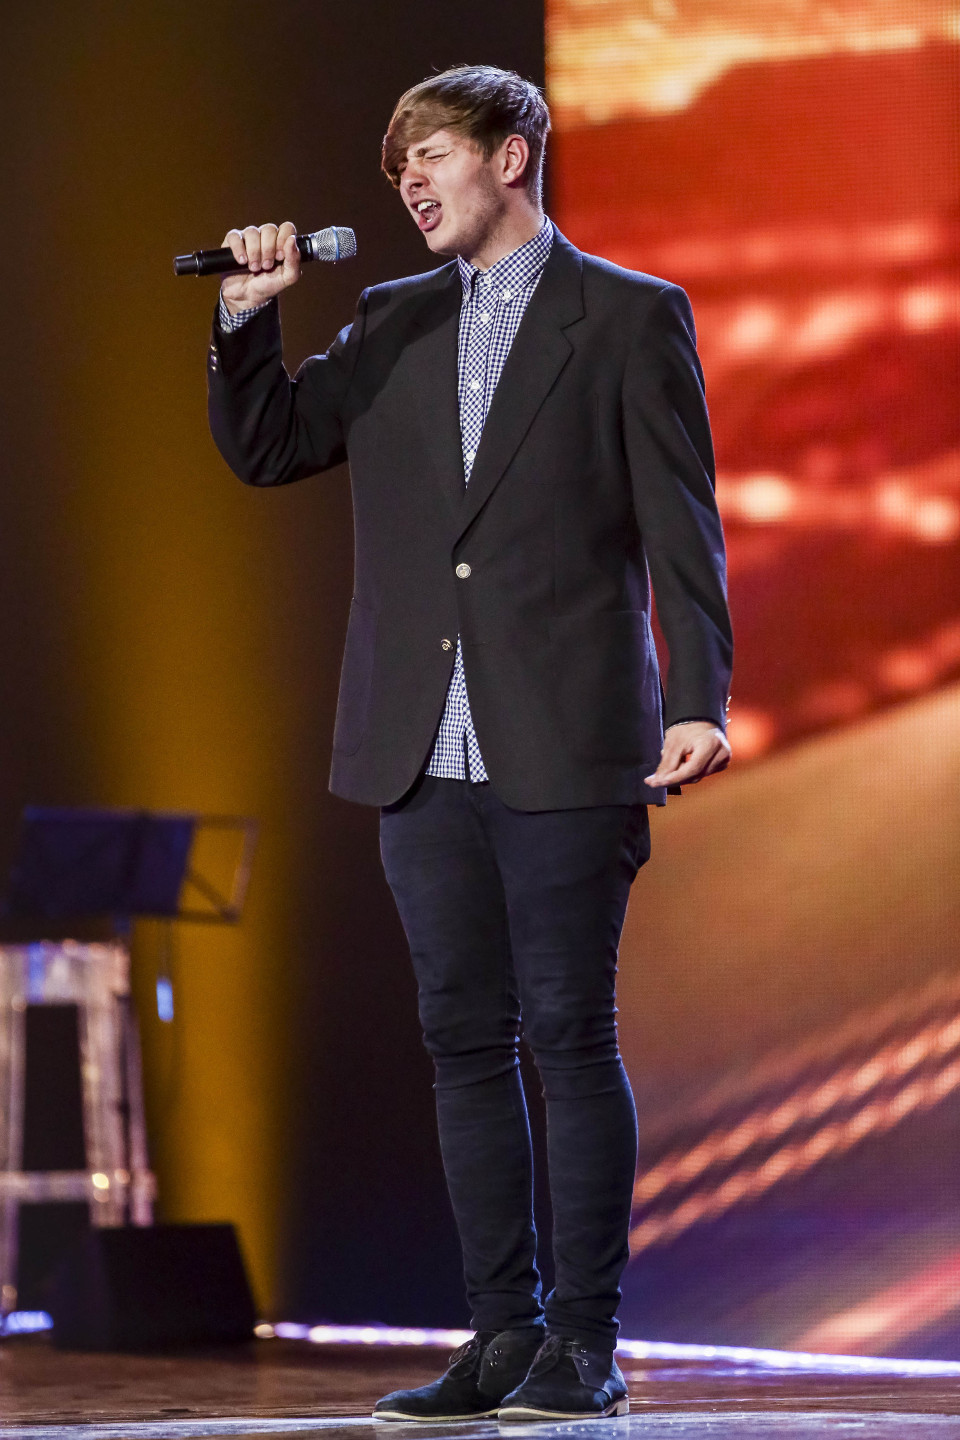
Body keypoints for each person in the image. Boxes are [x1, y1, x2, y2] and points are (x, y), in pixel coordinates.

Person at [207, 64, 732, 1423]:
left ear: (511, 155)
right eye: (398, 169)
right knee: (461, 1041)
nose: (411, 184)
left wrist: (698, 698)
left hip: (565, 736)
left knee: (568, 1033)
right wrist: (247, 318)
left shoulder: (628, 316)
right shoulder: (391, 320)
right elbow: (269, 447)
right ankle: (502, 1335)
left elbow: (682, 526)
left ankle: (585, 1343)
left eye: (431, 154)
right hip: (418, 747)